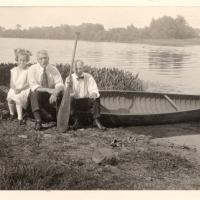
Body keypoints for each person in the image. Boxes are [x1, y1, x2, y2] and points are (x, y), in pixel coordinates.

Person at [28, 50, 64, 131]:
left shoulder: (53, 69)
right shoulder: (32, 69)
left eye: (45, 58)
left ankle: (60, 118)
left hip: (50, 96)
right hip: (38, 96)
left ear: (48, 59)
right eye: (41, 59)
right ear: (37, 60)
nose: (43, 60)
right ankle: (38, 121)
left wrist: (55, 93)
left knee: (60, 93)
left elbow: (60, 84)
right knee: (34, 92)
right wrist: (48, 90)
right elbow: (34, 86)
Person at [65, 59, 106, 130]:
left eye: (80, 68)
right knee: (69, 100)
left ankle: (96, 121)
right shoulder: (69, 79)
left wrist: (93, 93)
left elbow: (94, 90)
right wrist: (69, 87)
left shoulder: (89, 77)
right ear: (73, 69)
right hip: (75, 102)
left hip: (86, 101)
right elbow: (66, 95)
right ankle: (77, 121)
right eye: (76, 69)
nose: (78, 71)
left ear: (83, 68)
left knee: (96, 97)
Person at [7, 48, 32, 125]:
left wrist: (20, 89)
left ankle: (20, 118)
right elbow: (11, 83)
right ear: (17, 60)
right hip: (15, 88)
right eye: (20, 60)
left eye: (24, 60)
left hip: (24, 88)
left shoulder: (28, 70)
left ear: (27, 61)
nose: (22, 62)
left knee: (18, 98)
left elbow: (28, 83)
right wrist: (14, 88)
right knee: (10, 99)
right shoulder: (14, 70)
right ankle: (12, 113)